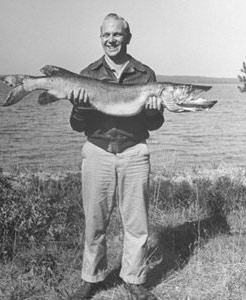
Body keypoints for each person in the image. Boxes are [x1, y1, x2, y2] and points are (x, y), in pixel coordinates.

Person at [68, 13, 164, 299]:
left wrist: (153, 109)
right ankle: (92, 277)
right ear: (101, 38)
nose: (111, 40)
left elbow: (154, 124)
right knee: (95, 221)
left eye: (117, 35)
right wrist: (81, 107)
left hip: (134, 152)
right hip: (97, 151)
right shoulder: (88, 74)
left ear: (127, 38)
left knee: (136, 223)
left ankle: (133, 278)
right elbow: (76, 126)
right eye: (106, 35)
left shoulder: (145, 74)